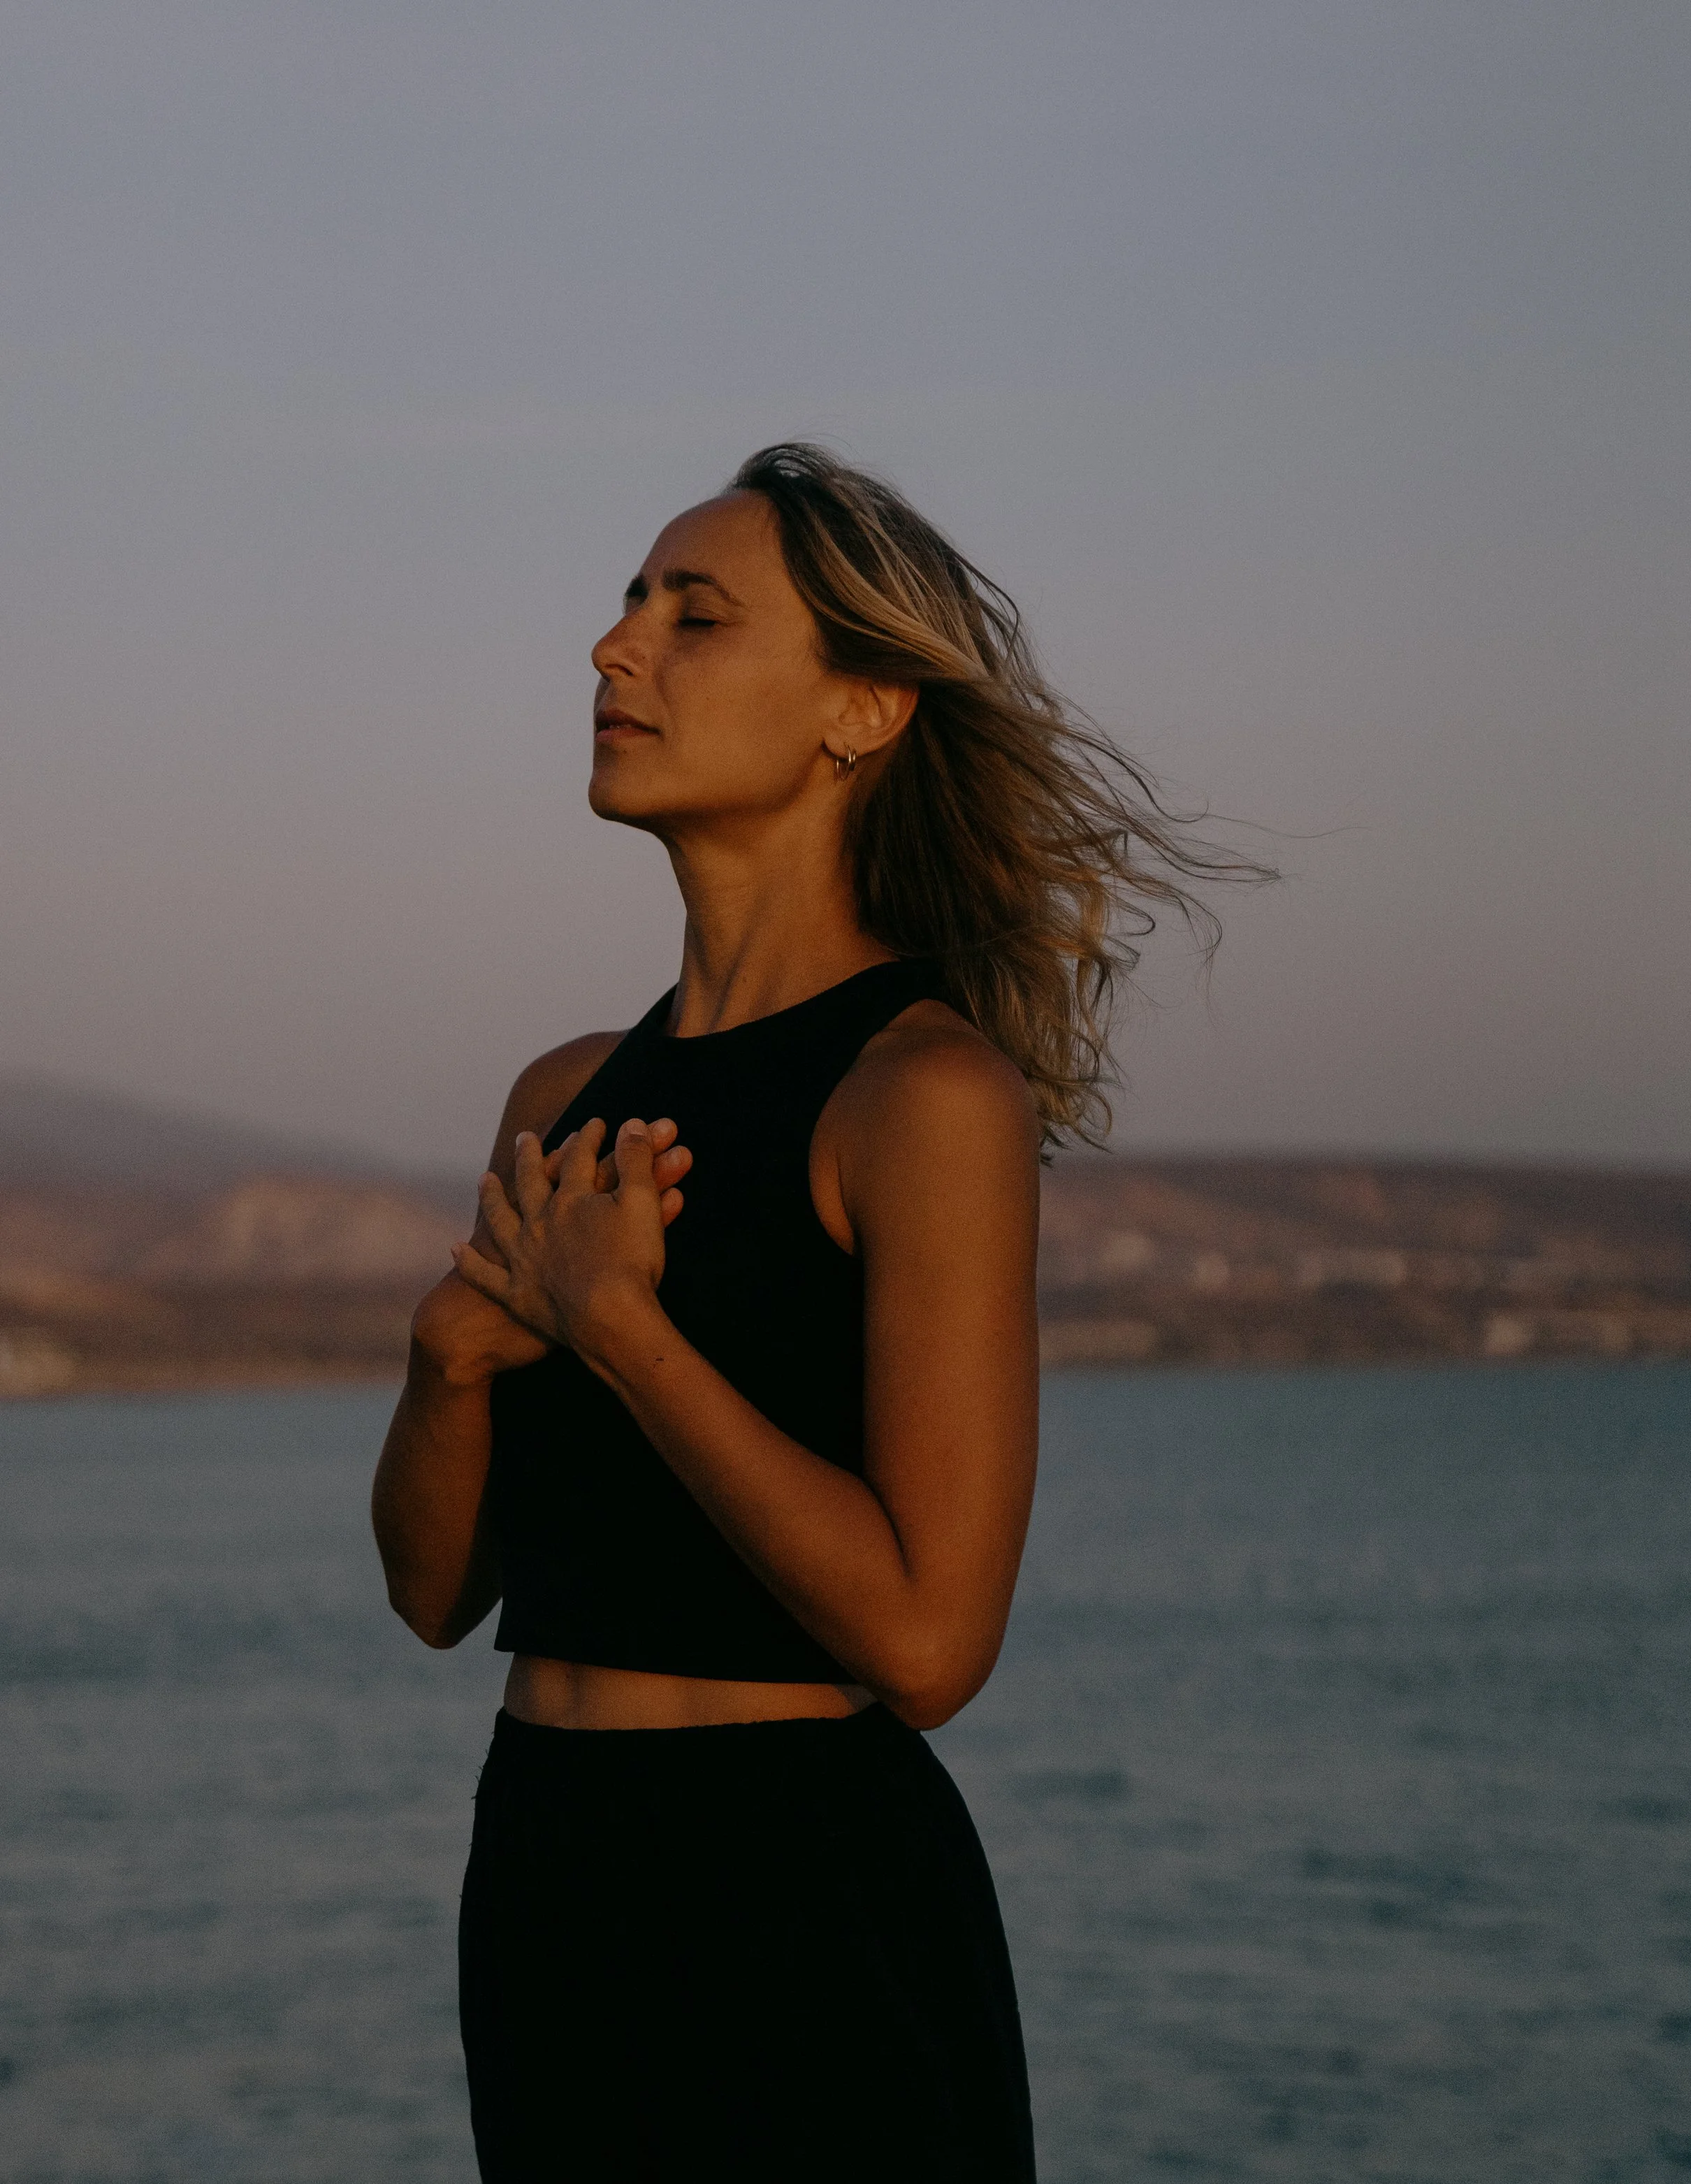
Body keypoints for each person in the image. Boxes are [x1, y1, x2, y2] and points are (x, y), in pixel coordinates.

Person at [371, 442, 1251, 2181]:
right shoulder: (561, 1096)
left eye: (693, 615)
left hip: (799, 1904)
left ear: (860, 709)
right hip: (544, 1874)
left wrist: (626, 1335)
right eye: (630, 602)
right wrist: (444, 1364)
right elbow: (431, 1594)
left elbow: (927, 1647)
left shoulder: (919, 1096)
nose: (616, 647)